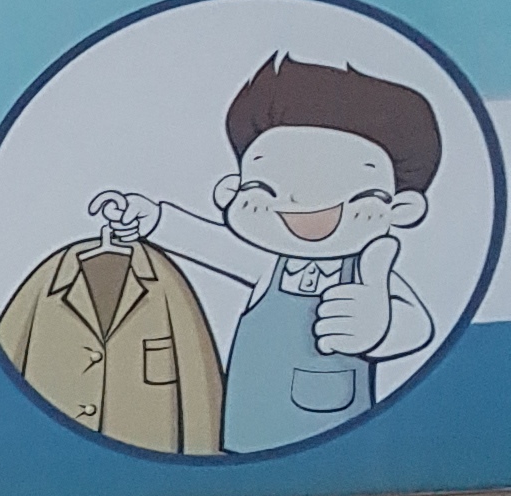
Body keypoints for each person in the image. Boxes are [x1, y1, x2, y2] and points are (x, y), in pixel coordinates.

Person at [87, 51, 444, 451]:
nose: (300, 201)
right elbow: (207, 243)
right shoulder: (267, 267)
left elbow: (417, 327)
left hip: (338, 452)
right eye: (267, 186)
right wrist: (154, 218)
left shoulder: (370, 273)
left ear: (403, 208)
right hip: (244, 443)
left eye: (334, 182)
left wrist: (381, 329)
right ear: (231, 193)